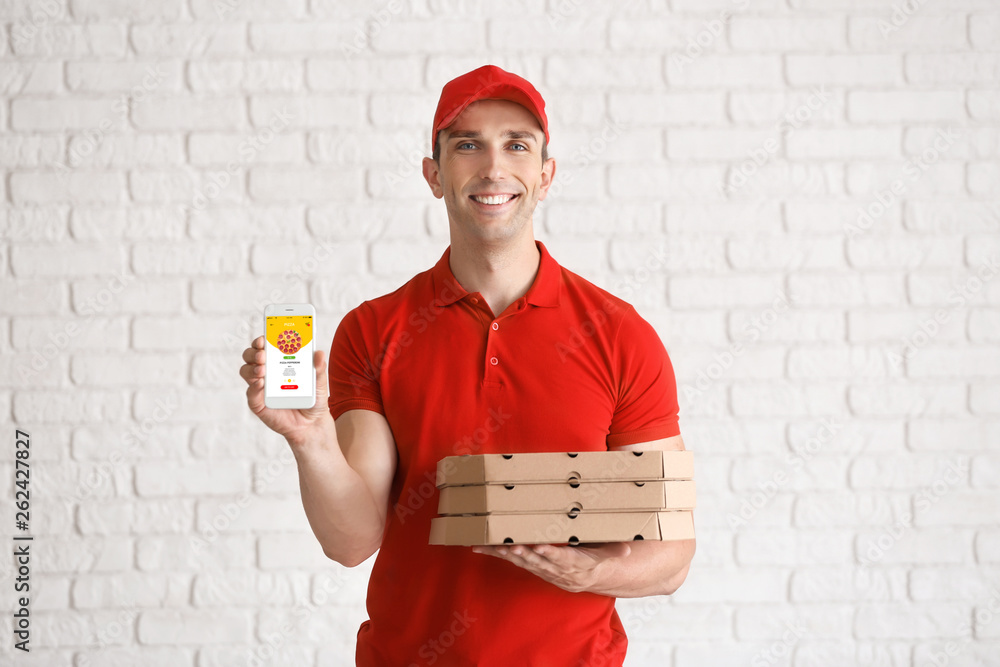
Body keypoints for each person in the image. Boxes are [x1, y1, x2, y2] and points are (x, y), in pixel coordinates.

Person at [241, 64, 695, 666]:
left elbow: (672, 558)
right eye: (467, 145)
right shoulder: (375, 330)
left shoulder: (620, 335)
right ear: (434, 175)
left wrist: (585, 573)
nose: (493, 167)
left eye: (517, 144)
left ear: (546, 174)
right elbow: (351, 542)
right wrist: (311, 438)